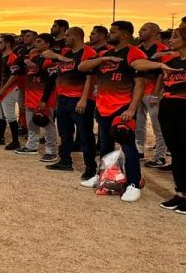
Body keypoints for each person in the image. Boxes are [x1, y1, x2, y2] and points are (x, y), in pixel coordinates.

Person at [78, 21, 146, 202]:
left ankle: (133, 184)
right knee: (106, 146)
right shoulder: (105, 54)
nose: (109, 34)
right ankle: (104, 177)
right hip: (102, 107)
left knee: (128, 146)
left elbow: (140, 84)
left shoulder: (134, 54)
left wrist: (132, 109)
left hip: (122, 108)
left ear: (124, 35)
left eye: (113, 32)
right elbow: (82, 68)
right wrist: (101, 60)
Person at [132, 26, 186, 212]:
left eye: (175, 36)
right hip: (169, 107)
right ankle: (180, 193)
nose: (170, 40)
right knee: (177, 153)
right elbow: (137, 64)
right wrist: (159, 65)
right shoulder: (171, 58)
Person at [42, 27, 97, 175]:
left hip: (79, 99)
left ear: (77, 36)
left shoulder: (88, 52)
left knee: (85, 134)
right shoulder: (65, 52)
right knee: (65, 133)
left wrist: (84, 99)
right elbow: (45, 53)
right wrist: (59, 57)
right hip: (63, 98)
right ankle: (65, 161)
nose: (65, 38)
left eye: (67, 35)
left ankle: (90, 167)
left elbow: (90, 78)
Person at [13, 33, 58, 161]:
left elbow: (51, 81)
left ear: (47, 44)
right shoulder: (34, 56)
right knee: (31, 123)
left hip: (44, 98)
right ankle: (31, 146)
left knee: (48, 125)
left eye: (39, 41)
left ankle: (51, 150)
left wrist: (44, 100)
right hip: (30, 97)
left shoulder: (50, 59)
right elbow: (17, 59)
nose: (36, 44)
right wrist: (25, 60)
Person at [135, 22, 169, 166]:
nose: (140, 31)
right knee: (138, 124)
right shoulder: (137, 49)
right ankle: (139, 150)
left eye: (144, 29)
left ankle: (160, 156)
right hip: (138, 91)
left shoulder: (163, 50)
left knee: (158, 125)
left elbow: (164, 74)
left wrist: (156, 93)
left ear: (155, 33)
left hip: (154, 92)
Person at [0, 35, 22, 150]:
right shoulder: (2, 56)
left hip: (9, 89)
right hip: (1, 88)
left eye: (1, 42)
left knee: (9, 115)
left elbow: (15, 75)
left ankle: (16, 141)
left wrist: (4, 88)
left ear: (8, 44)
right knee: (0, 114)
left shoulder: (12, 57)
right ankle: (1, 137)